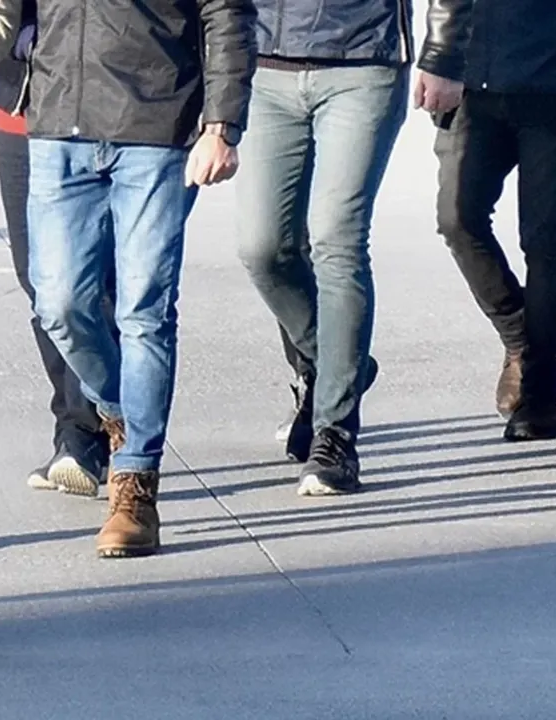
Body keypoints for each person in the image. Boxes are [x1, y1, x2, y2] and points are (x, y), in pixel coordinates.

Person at [26, 0, 256, 557]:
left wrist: (221, 125)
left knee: (144, 312)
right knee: (58, 303)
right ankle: (120, 411)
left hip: (157, 123)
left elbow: (227, 11)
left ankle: (135, 485)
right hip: (59, 119)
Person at [417, 0, 556, 440]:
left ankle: (540, 394)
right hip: (475, 76)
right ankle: (519, 333)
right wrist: (439, 57)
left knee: (544, 240)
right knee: (457, 218)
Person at [237, 0, 412, 495]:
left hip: (363, 59)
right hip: (265, 63)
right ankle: (339, 365)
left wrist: (445, 56)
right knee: (262, 248)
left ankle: (335, 435)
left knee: (337, 241)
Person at [0, 0, 116, 498]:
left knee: (93, 281)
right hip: (19, 99)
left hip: (104, 104)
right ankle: (79, 427)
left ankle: (88, 431)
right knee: (39, 280)